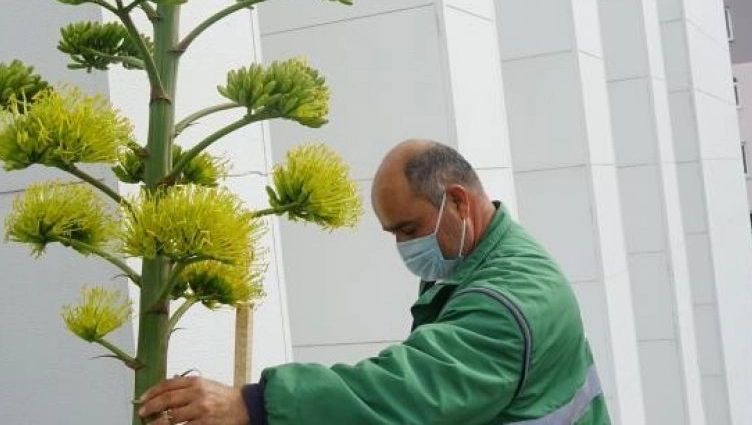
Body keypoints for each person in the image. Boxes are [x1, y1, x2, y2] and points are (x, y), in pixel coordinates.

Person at [139, 139, 611, 424]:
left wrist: (254, 406)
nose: (404, 248)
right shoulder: (487, 258)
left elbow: (408, 391)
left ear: (459, 202)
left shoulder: (508, 305)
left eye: (408, 230)